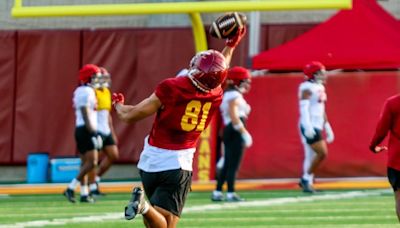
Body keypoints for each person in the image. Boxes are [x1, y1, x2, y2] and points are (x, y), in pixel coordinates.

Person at [112, 28, 246, 227]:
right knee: (166, 224)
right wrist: (231, 45)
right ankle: (144, 207)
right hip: (177, 164)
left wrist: (118, 105)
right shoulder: (216, 93)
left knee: (155, 224)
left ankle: (145, 207)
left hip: (149, 161)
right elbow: (220, 69)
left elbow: (130, 116)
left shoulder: (172, 87)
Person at [211, 66, 252, 202]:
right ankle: (230, 192)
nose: (248, 84)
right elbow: (234, 115)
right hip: (234, 128)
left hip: (230, 129)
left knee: (228, 162)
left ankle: (218, 191)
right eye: (245, 80)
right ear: (237, 81)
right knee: (233, 163)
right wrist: (243, 131)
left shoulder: (231, 94)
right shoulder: (234, 95)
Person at [63, 64, 103, 203]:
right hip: (86, 129)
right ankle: (70, 188)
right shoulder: (86, 91)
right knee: (92, 162)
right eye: (96, 77)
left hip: (81, 129)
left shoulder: (83, 90)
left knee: (85, 163)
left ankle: (84, 194)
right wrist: (93, 132)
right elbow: (85, 112)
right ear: (89, 77)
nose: (98, 80)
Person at [298, 61, 334, 193]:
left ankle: (308, 182)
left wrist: (327, 125)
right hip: (309, 124)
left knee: (311, 156)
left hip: (317, 124)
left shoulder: (319, 87)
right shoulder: (306, 87)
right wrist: (307, 126)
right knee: (322, 153)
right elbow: (304, 108)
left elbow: (321, 108)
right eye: (320, 73)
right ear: (312, 74)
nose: (323, 75)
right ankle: (306, 179)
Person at [89, 67, 120, 196]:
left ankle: (95, 179)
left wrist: (112, 131)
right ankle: (90, 187)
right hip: (96, 129)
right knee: (93, 160)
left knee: (113, 155)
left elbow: (107, 114)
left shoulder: (106, 91)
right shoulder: (92, 92)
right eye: (103, 78)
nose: (105, 80)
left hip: (106, 129)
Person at [369, 94, 400, 222]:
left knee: (399, 197)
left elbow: (382, 129)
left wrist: (373, 145)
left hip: (397, 159)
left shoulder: (392, 103)